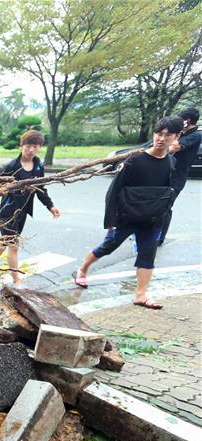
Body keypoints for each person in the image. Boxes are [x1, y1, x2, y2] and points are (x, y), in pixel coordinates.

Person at [73, 116, 183, 309]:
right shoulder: (134, 160)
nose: (161, 138)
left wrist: (163, 215)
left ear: (177, 136)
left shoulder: (171, 162)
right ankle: (82, 269)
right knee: (107, 248)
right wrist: (110, 220)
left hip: (152, 219)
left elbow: (166, 193)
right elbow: (113, 191)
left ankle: (140, 295)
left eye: (168, 135)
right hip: (125, 217)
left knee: (148, 255)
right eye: (159, 133)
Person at [0, 130, 61, 285]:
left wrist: (50, 206)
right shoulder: (11, 166)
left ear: (39, 147)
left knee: (4, 242)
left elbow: (41, 189)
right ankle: (16, 281)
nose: (31, 150)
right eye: (28, 146)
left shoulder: (38, 166)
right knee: (13, 246)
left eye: (35, 146)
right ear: (21, 145)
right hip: (8, 211)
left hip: (22, 211)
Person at [159, 107, 200, 244]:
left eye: (180, 120)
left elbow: (173, 147)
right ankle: (148, 232)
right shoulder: (180, 133)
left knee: (166, 206)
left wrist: (178, 132)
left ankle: (159, 237)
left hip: (177, 177)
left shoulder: (196, 135)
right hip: (164, 172)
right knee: (155, 203)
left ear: (187, 121)